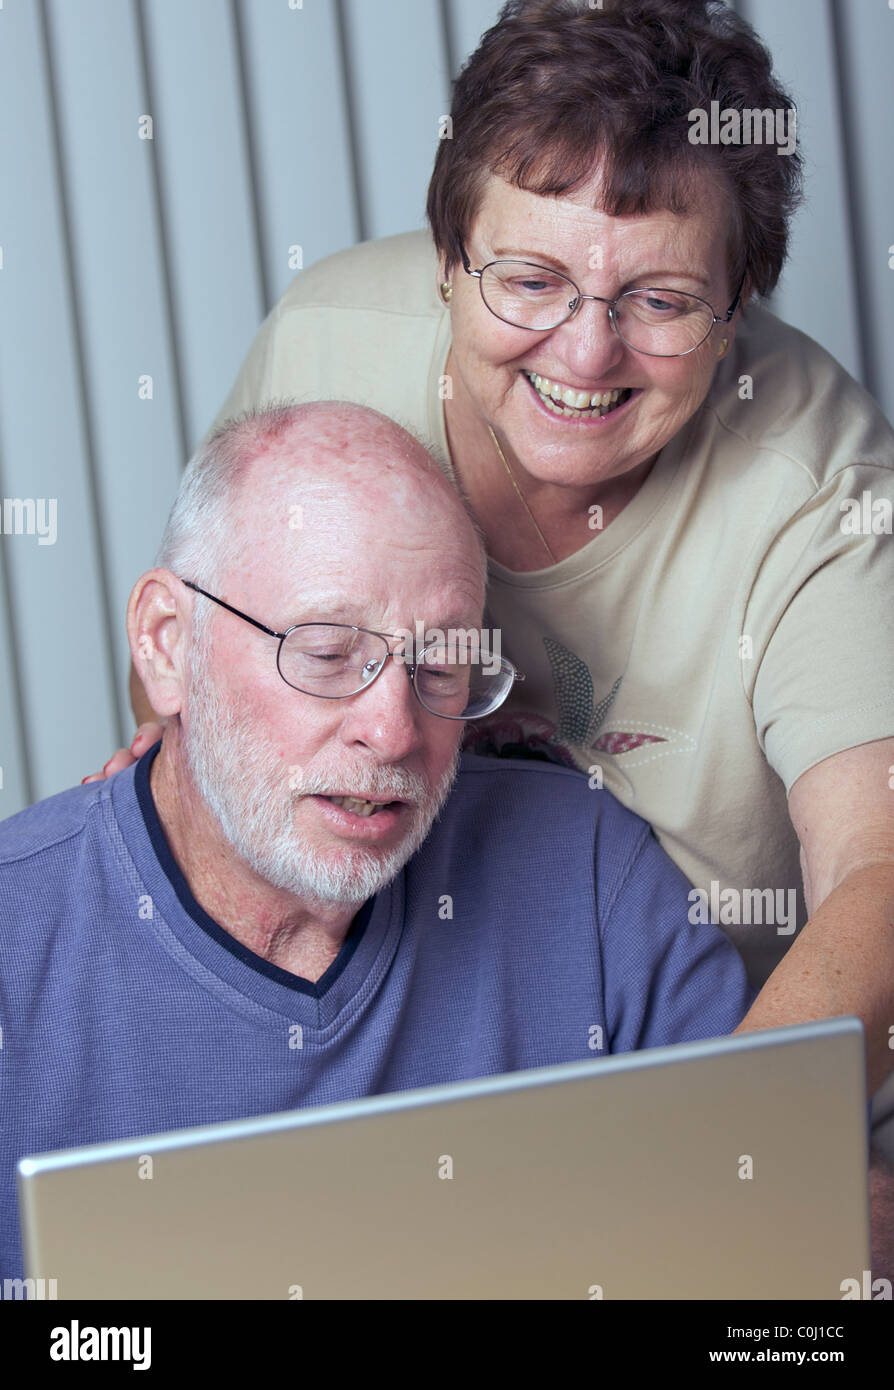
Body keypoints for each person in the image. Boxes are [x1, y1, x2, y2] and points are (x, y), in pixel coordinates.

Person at [100, 4, 894, 1201]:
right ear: (445, 258)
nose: (585, 354)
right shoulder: (326, 345)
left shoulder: (821, 486)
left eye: (664, 300)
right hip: (406, 1053)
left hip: (734, 1069)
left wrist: (743, 1182)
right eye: (529, 279)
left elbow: (879, 871)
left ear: (740, 309)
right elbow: (201, 660)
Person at [0, 401, 754, 1284]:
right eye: (325, 653)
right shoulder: (19, 940)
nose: (395, 732)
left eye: (438, 666)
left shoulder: (586, 875)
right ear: (170, 648)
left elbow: (791, 1217)